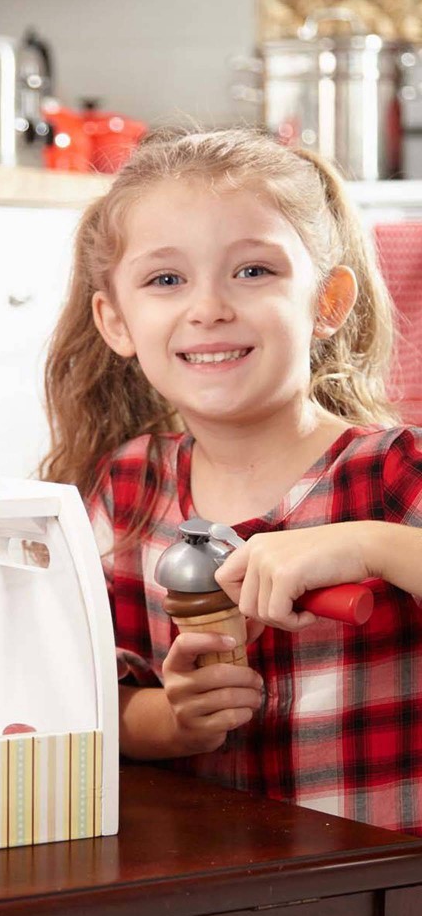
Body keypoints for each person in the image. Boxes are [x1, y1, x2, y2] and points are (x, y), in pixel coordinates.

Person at [41, 126, 422, 834]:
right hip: (218, 890)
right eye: (166, 280)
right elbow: (83, 702)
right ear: (116, 320)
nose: (209, 307)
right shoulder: (128, 489)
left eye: (253, 272)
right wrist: (175, 720)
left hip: (385, 895)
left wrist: (375, 547)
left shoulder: (396, 472)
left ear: (328, 303)